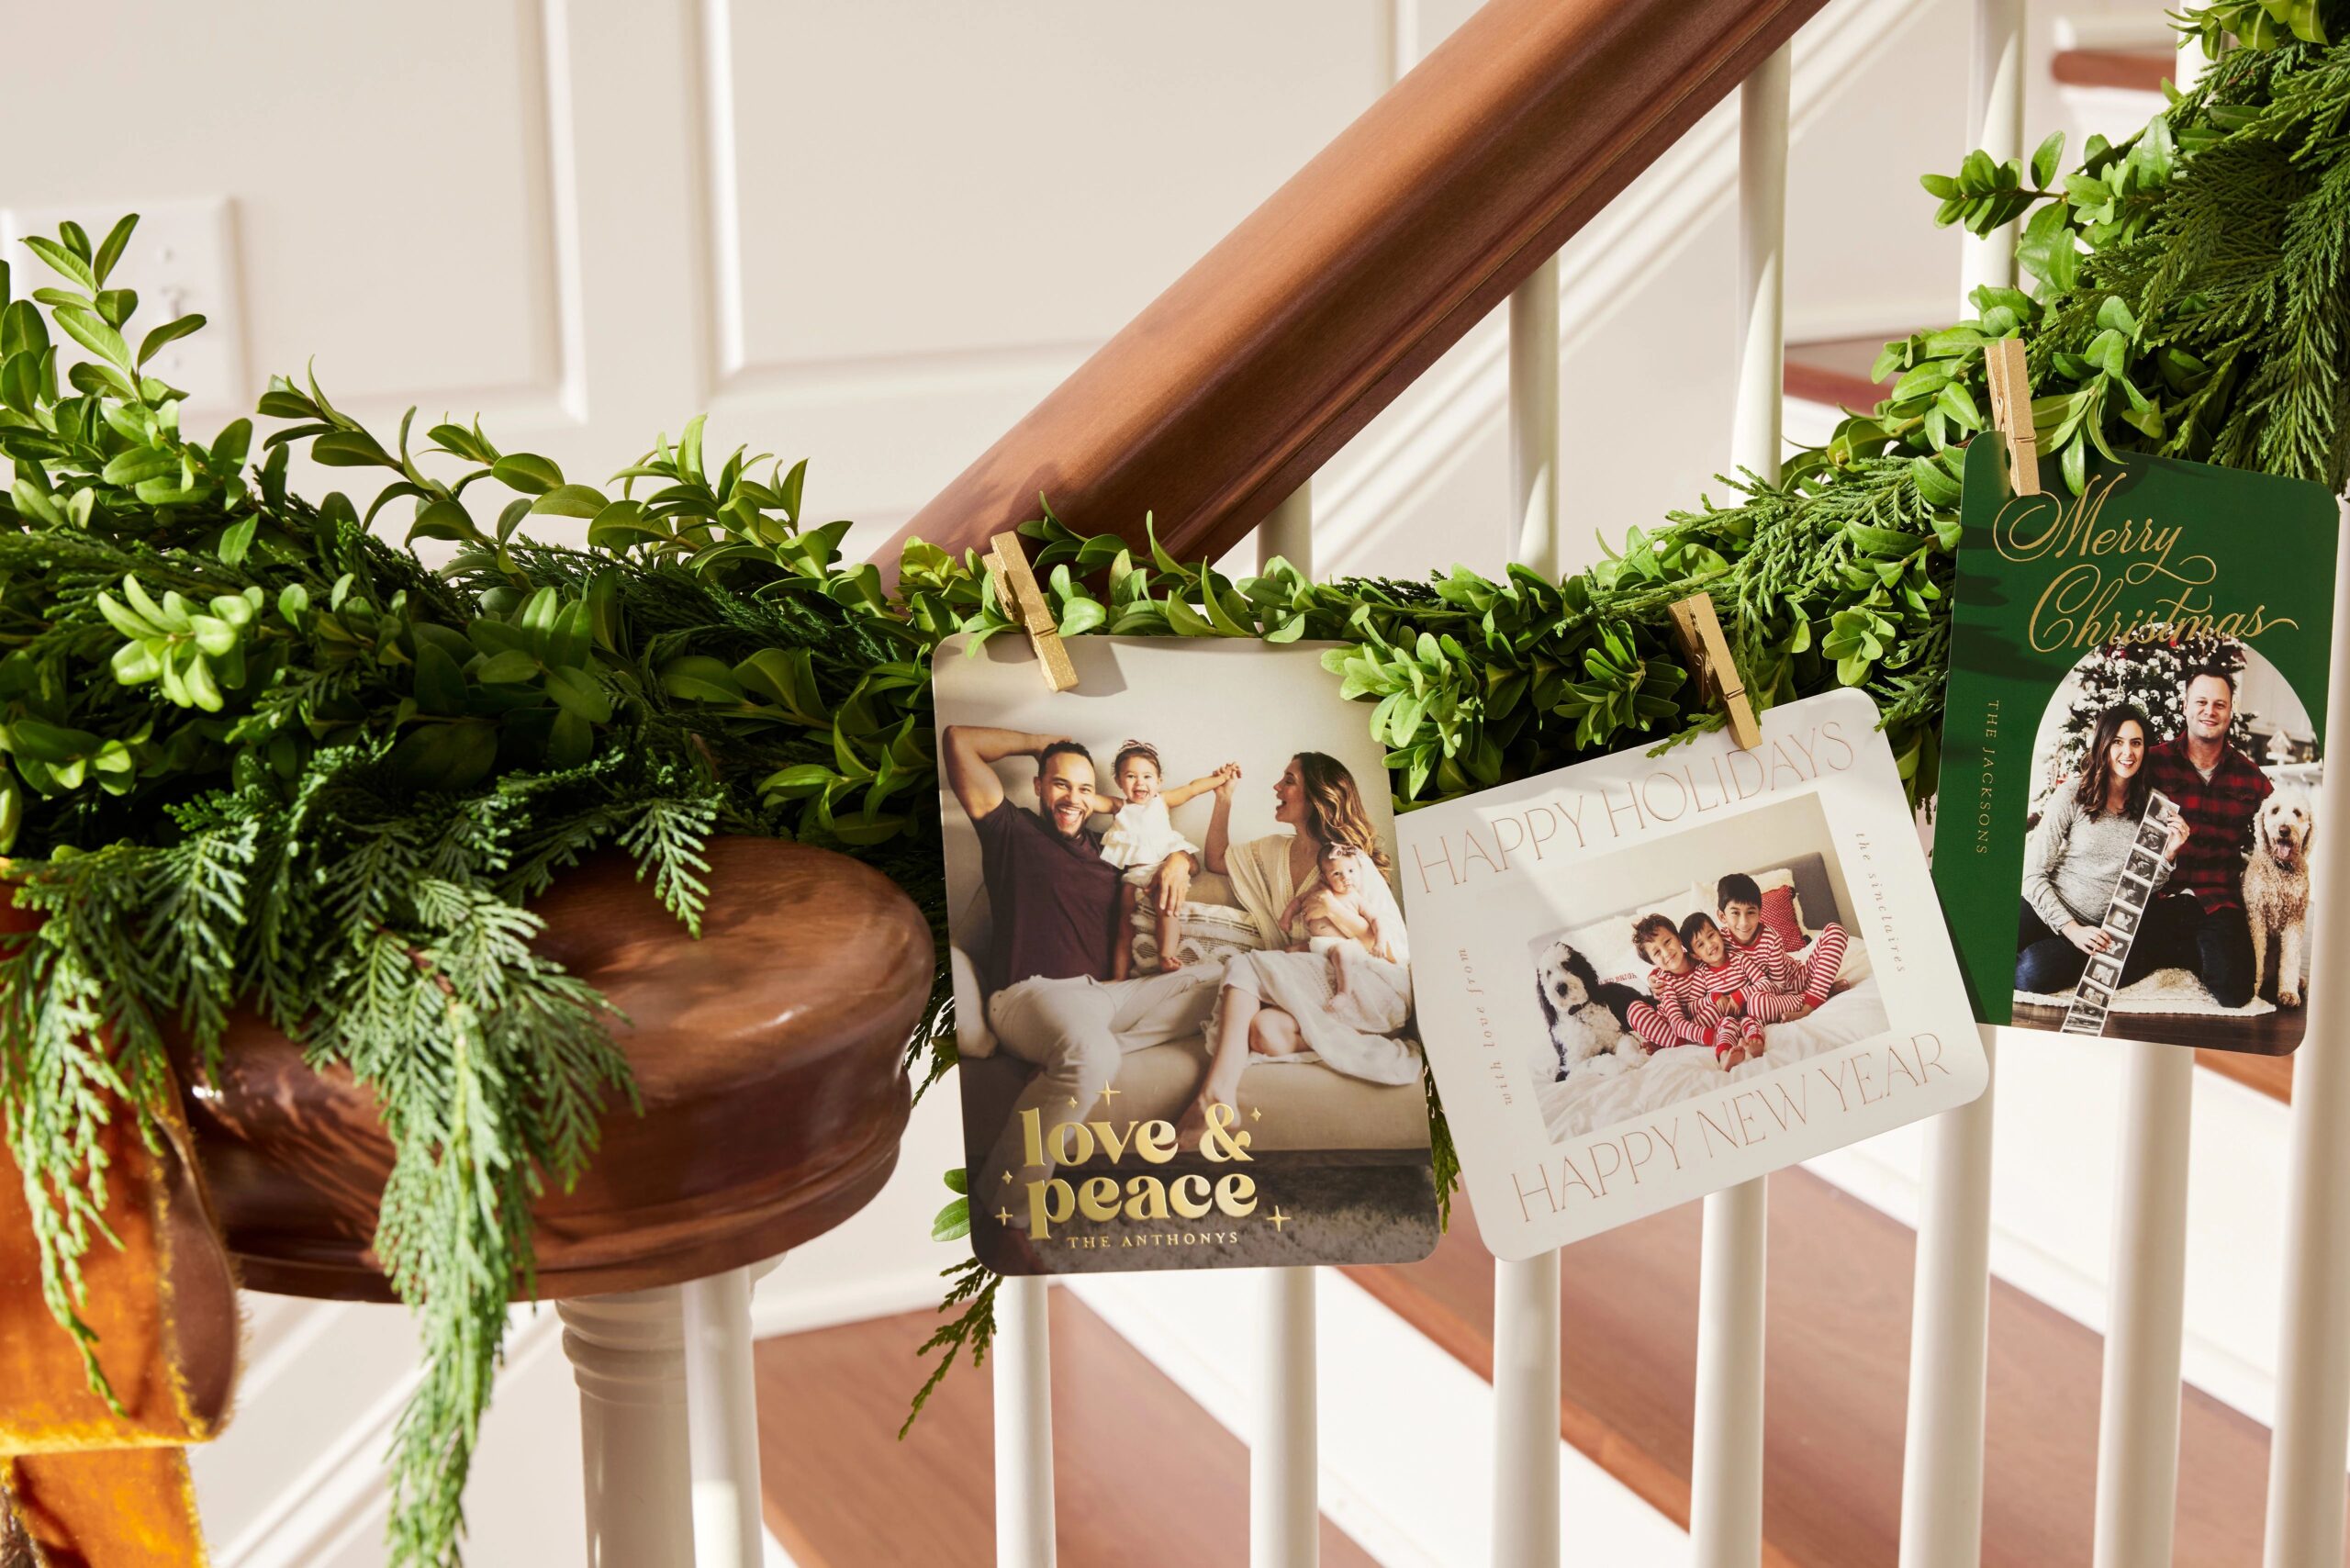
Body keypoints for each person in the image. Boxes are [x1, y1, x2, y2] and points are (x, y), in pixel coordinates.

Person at [940, 724, 1222, 1196]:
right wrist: (1042, 743)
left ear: (1097, 798)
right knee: (1095, 1054)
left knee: (1225, 976)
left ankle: (1066, 1055)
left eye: (1085, 789)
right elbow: (958, 741)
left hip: (1106, 996)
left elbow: (1164, 855)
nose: (1073, 798)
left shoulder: (1108, 851)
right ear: (1038, 787)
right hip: (1030, 994)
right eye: (1060, 784)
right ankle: (1005, 1206)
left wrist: (1179, 862)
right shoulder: (1009, 830)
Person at [1183, 753, 1421, 1141]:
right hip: (1320, 993)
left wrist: (1335, 911)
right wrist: (1224, 799)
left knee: (1246, 966)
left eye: (1288, 780)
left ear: (1316, 796)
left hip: (1375, 986)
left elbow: (1393, 948)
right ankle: (1362, 1043)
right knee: (1263, 1031)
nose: (1277, 787)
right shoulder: (1274, 851)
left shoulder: (1349, 859)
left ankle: (1214, 1097)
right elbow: (1217, 859)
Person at [2015, 703, 2192, 995]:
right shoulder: (2072, 794)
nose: (2128, 753)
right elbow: (2033, 874)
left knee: (2032, 974)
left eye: (2136, 743)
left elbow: (2142, 889)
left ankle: (2057, 959)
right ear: (2103, 745)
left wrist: (2170, 854)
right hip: (2046, 907)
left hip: (2094, 931)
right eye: (2118, 742)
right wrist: (2070, 928)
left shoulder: (2154, 807)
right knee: (1994, 941)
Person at [2139, 665, 2271, 1006]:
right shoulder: (2153, 762)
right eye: (2200, 702)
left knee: (2234, 992)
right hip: (2158, 895)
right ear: (2184, 706)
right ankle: (2179, 950)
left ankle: (2191, 950)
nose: (2209, 712)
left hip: (2217, 901)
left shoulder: (2251, 777)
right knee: (2116, 970)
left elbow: (2277, 829)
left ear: (2230, 711)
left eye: (2219, 704)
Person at [1091, 741, 1237, 980]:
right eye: (1131, 776)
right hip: (1133, 875)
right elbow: (1092, 800)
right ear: (1119, 781)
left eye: (1147, 776)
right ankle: (1117, 978)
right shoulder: (1120, 806)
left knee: (1166, 907)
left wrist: (1221, 778)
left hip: (1162, 868)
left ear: (1158, 782)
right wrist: (1073, 792)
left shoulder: (1162, 801)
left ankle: (1166, 955)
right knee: (1124, 925)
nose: (1140, 782)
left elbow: (1192, 788)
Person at [1625, 913, 1765, 1065]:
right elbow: (1677, 1023)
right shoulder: (1663, 981)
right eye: (1657, 953)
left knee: (1717, 1008)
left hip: (1699, 1018)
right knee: (1634, 1010)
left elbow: (1726, 944)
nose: (1666, 953)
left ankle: (1667, 1043)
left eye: (1667, 942)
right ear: (1652, 961)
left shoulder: (1701, 956)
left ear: (1679, 939)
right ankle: (1676, 1041)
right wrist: (1711, 1036)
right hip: (1672, 1024)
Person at [1715, 872, 1848, 1007]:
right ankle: (1821, 992)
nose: (1744, 923)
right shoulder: (1718, 942)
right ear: (1722, 916)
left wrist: (1742, 995)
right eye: (1735, 913)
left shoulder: (1770, 940)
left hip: (1797, 980)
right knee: (1757, 1005)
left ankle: (1814, 997)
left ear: (1760, 914)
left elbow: (1779, 986)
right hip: (1765, 997)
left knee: (1835, 931)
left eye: (1750, 912)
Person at [1681, 911, 1815, 1025]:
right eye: (1700, 945)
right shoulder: (1701, 973)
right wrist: (1714, 998)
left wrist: (1740, 995)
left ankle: (1803, 999)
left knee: (1757, 1003)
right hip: (1729, 1021)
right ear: (1695, 956)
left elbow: (1765, 983)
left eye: (1711, 935)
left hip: (1754, 1011)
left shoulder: (1739, 959)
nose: (1710, 945)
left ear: (1719, 933)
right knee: (1705, 1016)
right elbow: (1691, 1007)